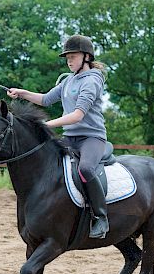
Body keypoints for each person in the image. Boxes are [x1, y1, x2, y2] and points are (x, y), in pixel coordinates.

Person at [7, 34, 109, 239]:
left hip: (92, 138)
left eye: (73, 56)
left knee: (86, 169)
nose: (69, 60)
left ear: (86, 57)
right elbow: (45, 100)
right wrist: (22, 93)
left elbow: (78, 115)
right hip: (70, 138)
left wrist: (46, 125)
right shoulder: (69, 80)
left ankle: (101, 217)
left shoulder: (92, 81)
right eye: (67, 57)